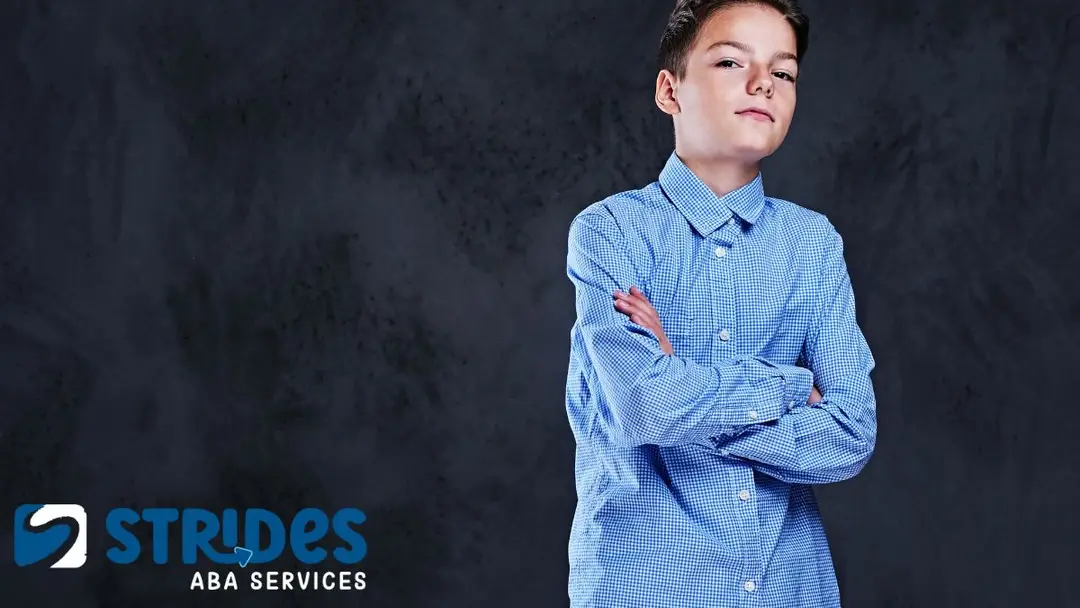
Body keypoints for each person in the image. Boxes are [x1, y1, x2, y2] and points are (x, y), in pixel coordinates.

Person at [562, 1, 878, 606]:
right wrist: (788, 389)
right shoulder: (610, 233)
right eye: (732, 61)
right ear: (669, 90)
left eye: (783, 73)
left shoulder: (812, 244)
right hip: (645, 586)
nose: (763, 83)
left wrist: (682, 384)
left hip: (791, 585)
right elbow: (643, 408)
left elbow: (849, 433)